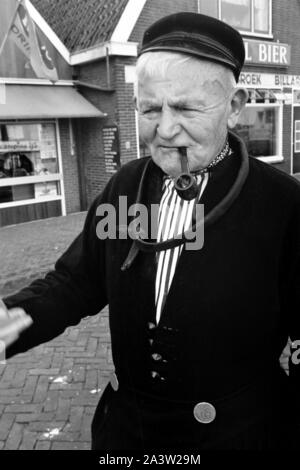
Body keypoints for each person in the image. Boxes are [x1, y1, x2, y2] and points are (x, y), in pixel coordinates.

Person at [0, 12, 299, 450]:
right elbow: (77, 281)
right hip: (128, 433)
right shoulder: (127, 187)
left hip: (238, 434)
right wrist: (14, 319)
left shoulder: (282, 204)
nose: (164, 129)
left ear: (235, 108)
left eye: (185, 108)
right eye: (150, 108)